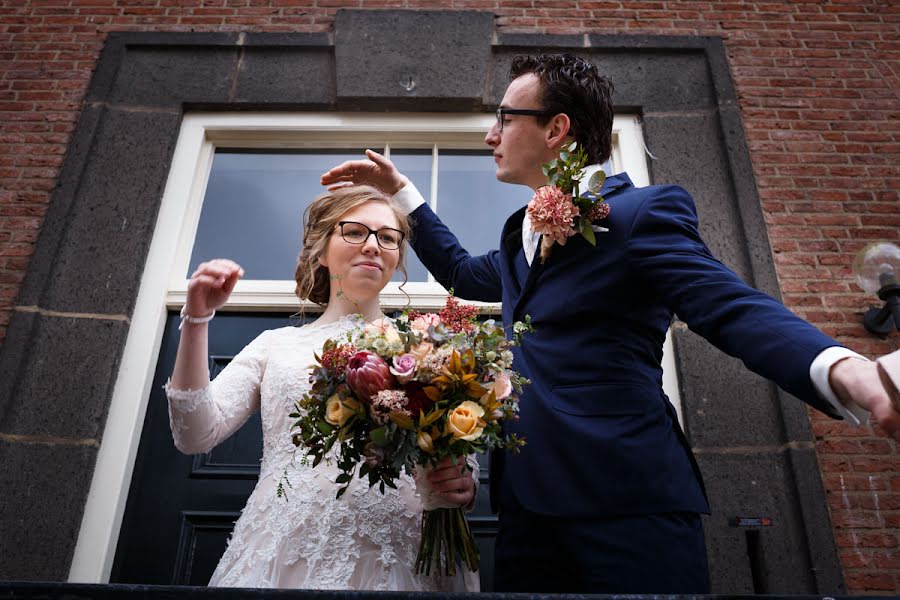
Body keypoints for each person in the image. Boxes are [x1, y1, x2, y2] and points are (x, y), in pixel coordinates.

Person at [320, 54, 900, 594]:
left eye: (504, 118)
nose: (490, 135)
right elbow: (465, 274)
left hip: (625, 505)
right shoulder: (518, 237)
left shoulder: (639, 214)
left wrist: (847, 372)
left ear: (556, 130)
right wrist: (402, 193)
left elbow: (725, 303)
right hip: (525, 510)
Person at [166, 185, 479, 591]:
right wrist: (197, 319)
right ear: (320, 249)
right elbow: (195, 434)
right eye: (354, 232)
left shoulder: (424, 346)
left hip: (403, 556)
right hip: (286, 553)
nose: (372, 246)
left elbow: (455, 456)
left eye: (387, 237)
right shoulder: (273, 346)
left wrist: (460, 485)